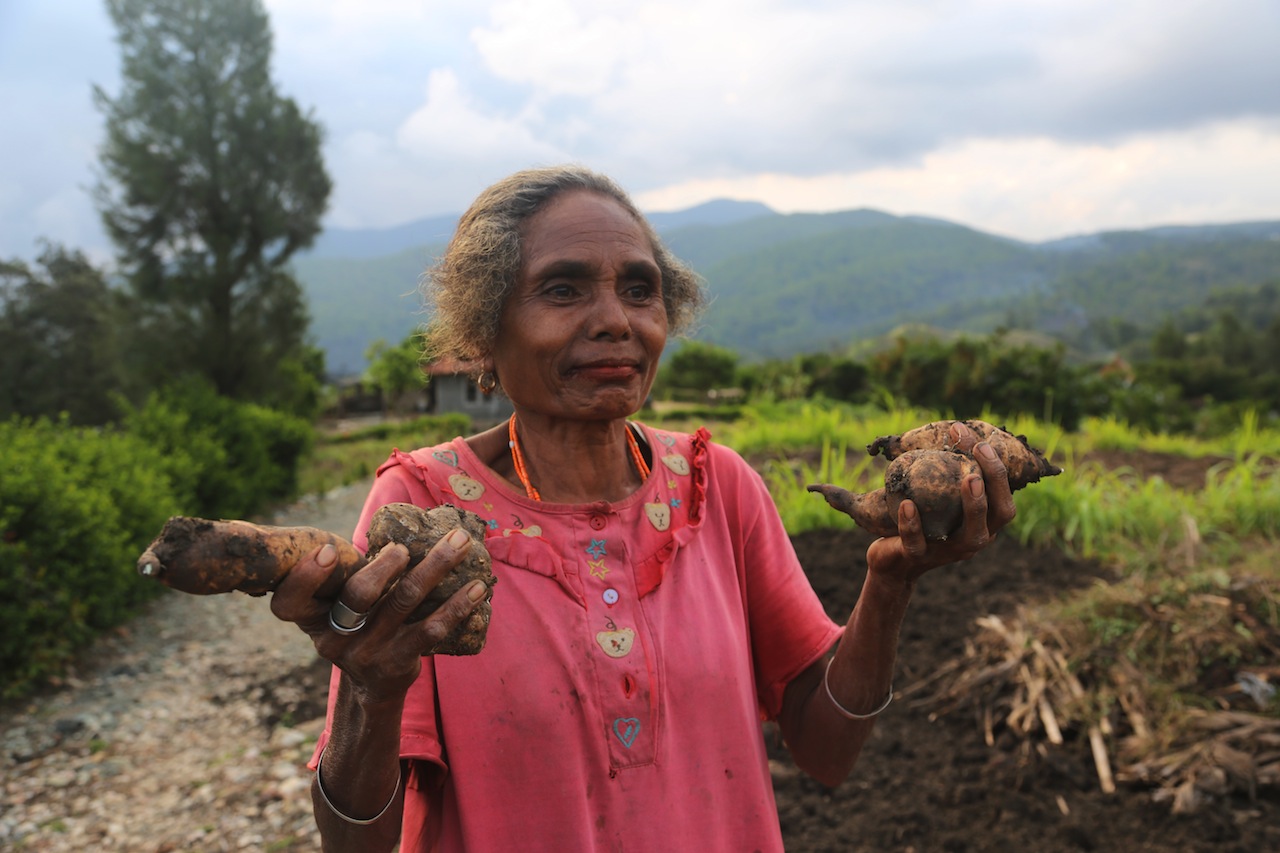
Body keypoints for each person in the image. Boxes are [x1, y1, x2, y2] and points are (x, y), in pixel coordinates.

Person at [269, 165, 1017, 852]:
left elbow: (827, 749)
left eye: (639, 288)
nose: (616, 320)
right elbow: (357, 840)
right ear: (482, 331)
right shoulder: (422, 509)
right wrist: (372, 688)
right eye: (563, 290)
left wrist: (889, 582)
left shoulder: (717, 487)